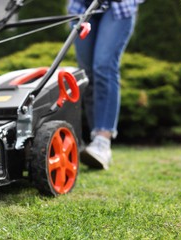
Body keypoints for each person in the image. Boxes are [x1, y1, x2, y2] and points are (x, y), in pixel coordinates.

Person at [68, 0, 144, 170]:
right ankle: (93, 139)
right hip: (82, 6)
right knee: (86, 74)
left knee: (104, 66)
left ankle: (103, 140)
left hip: (118, 7)